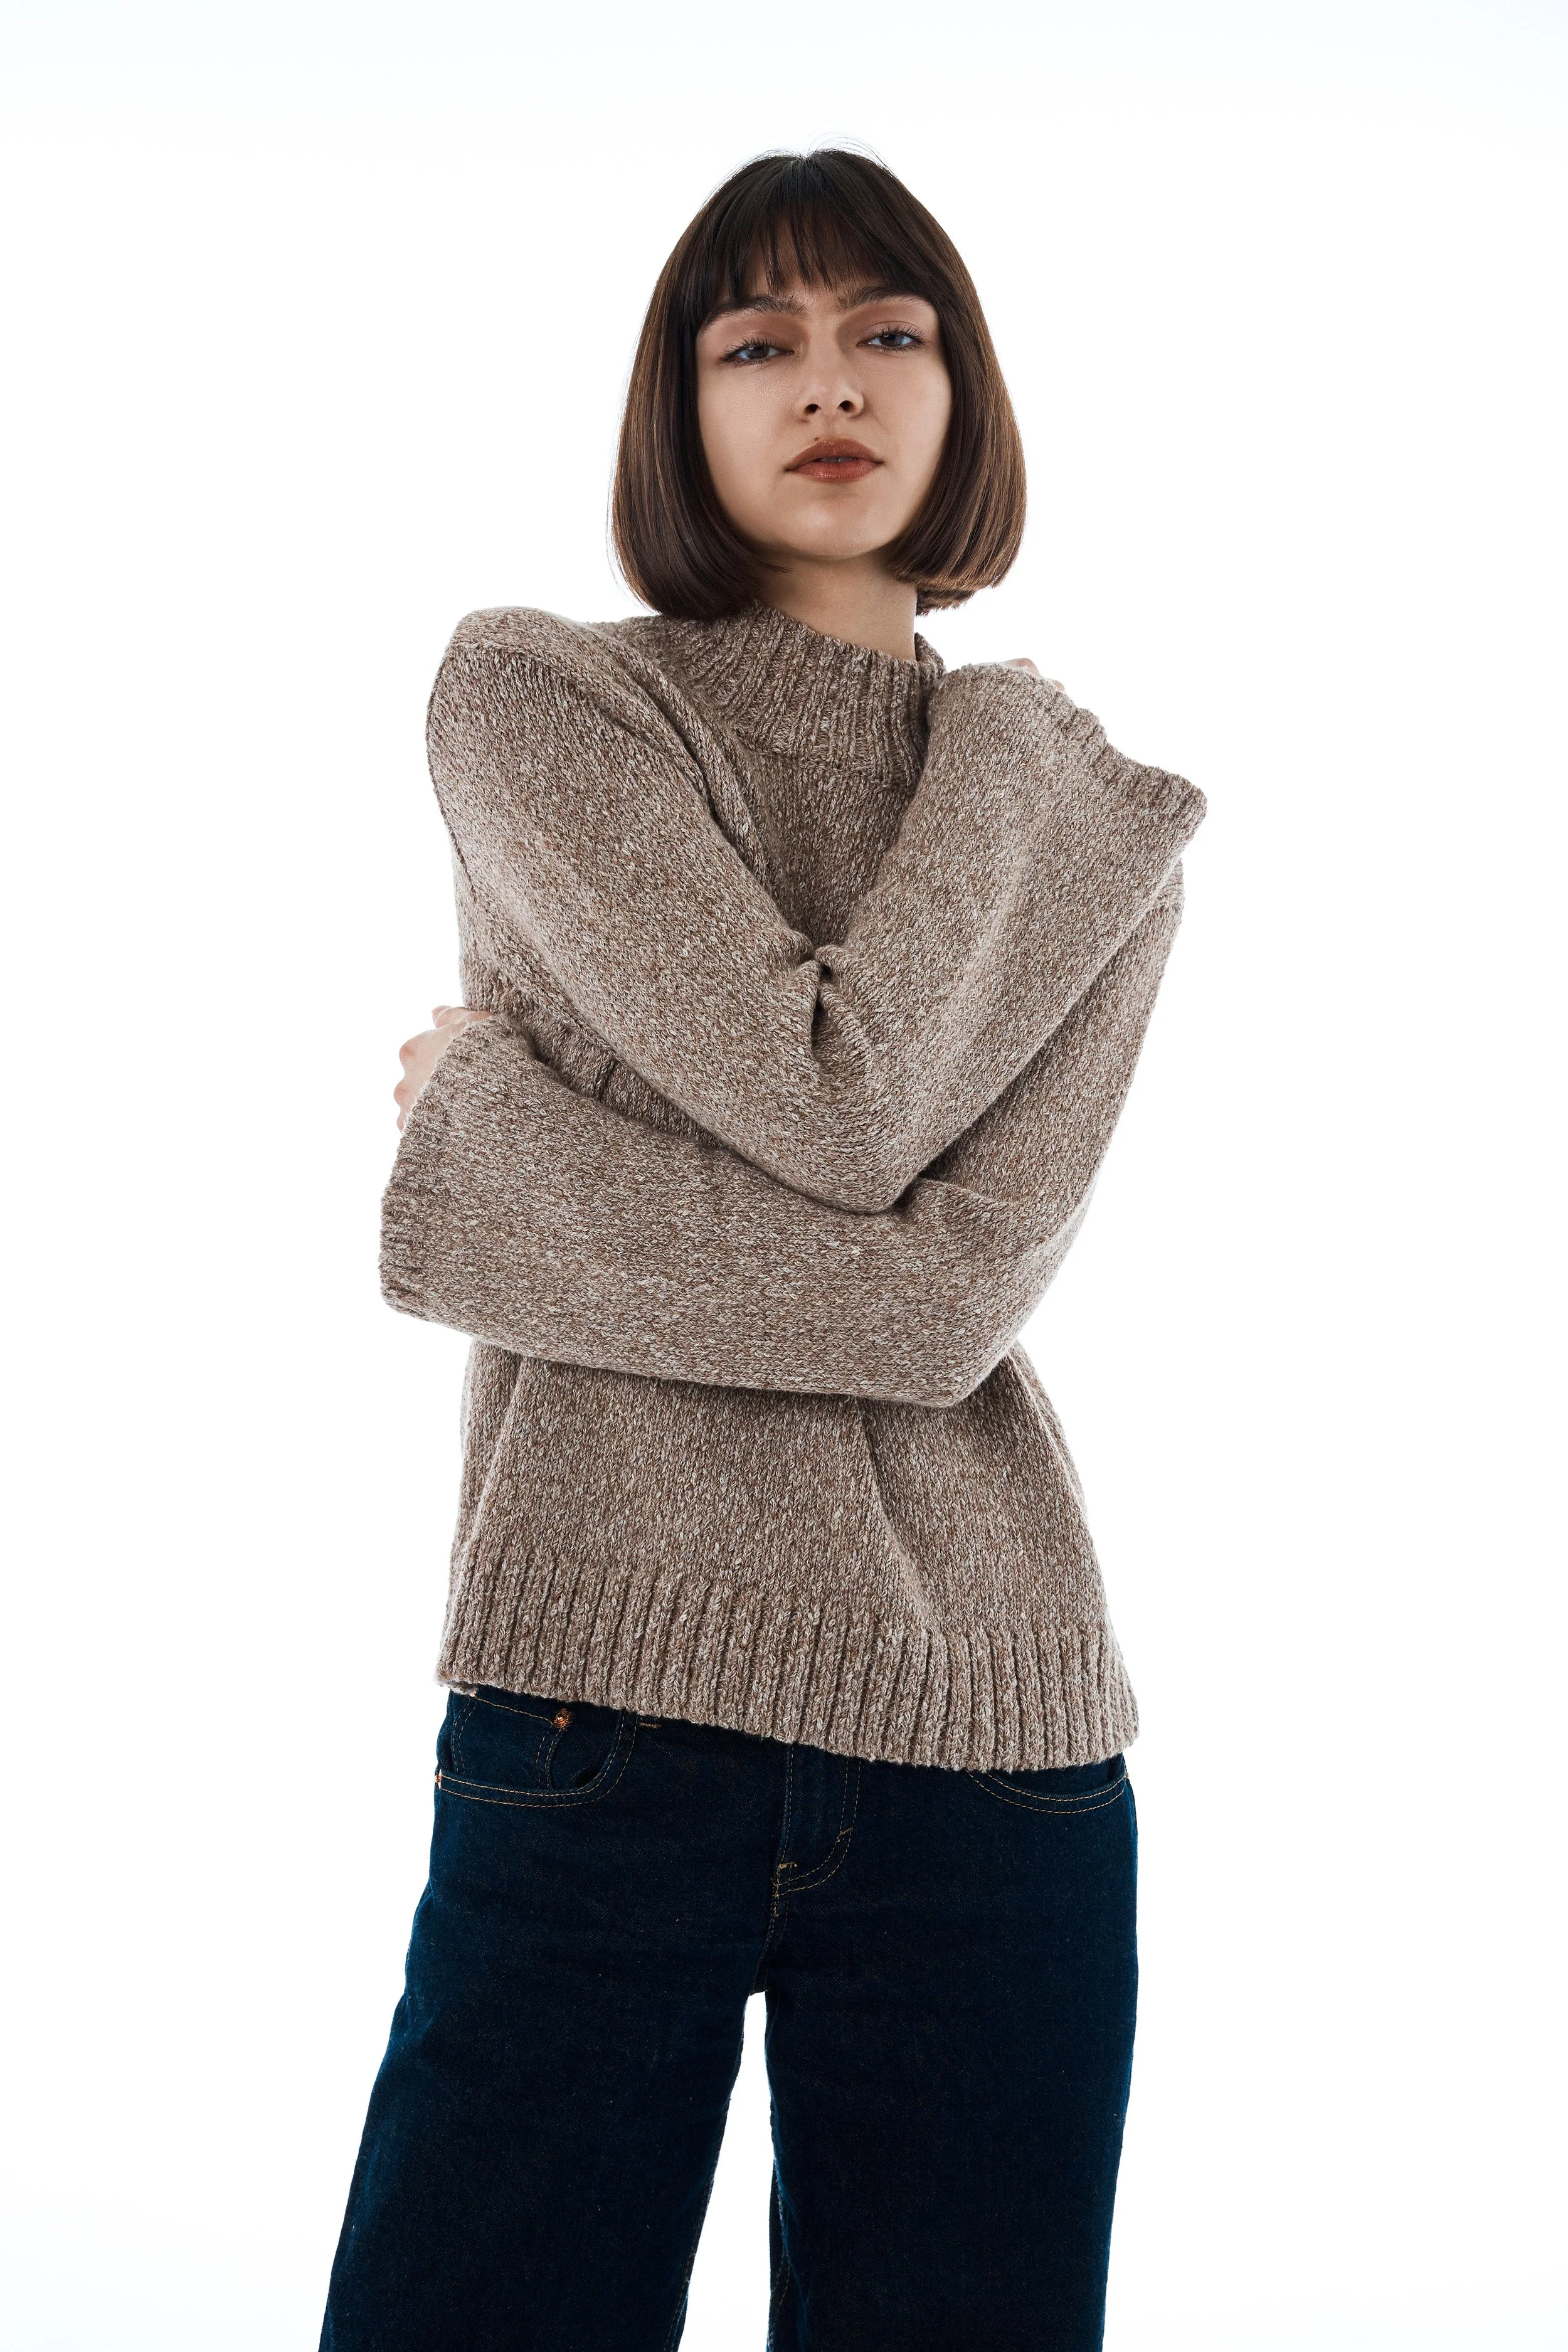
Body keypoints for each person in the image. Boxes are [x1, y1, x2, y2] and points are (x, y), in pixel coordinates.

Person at [320, 146, 1205, 2352]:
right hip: (601, 1699)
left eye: (887, 331)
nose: (832, 381)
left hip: (997, 1736)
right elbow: (849, 1129)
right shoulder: (547, 701)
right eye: (759, 341)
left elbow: (932, 1294)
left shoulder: (1086, 812)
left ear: (964, 389)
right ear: (678, 408)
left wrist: (495, 1163)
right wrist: (808, 1240)